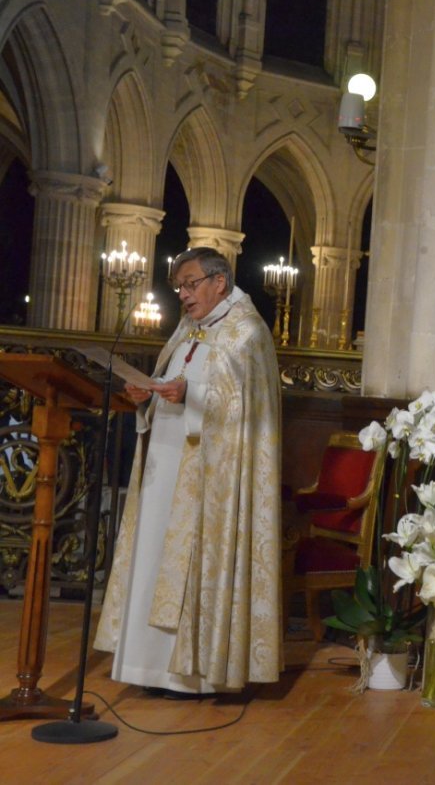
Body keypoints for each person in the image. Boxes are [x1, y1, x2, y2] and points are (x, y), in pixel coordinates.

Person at [95, 247, 282, 695]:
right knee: (154, 555)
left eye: (191, 283)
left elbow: (247, 407)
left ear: (220, 282)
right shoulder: (188, 329)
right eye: (179, 285)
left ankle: (193, 676)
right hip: (166, 460)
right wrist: (152, 396)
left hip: (211, 473)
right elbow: (175, 382)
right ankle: (147, 668)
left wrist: (191, 392)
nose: (183, 294)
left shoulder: (247, 333)